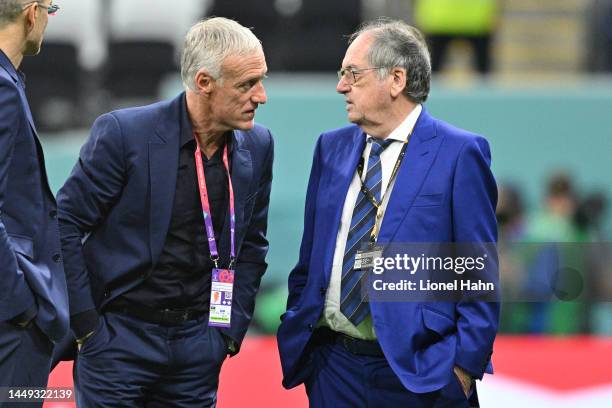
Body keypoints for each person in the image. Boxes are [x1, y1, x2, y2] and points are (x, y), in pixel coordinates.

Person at [277, 18, 498, 407]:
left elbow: (476, 272)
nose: (341, 86)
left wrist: (462, 370)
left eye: (352, 74)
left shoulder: (459, 153)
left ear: (396, 79)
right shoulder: (330, 148)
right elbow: (310, 258)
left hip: (420, 374)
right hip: (333, 368)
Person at [57, 17, 272, 407]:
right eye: (247, 84)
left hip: (199, 348)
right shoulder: (125, 134)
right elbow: (65, 225)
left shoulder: (258, 145)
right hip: (118, 341)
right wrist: (87, 326)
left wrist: (227, 332)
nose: (261, 96)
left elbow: (252, 244)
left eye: (261, 80)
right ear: (204, 83)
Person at [0, 0, 68, 404]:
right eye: (50, 8)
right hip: (10, 325)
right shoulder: (3, 90)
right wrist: (21, 305)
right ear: (32, 12)